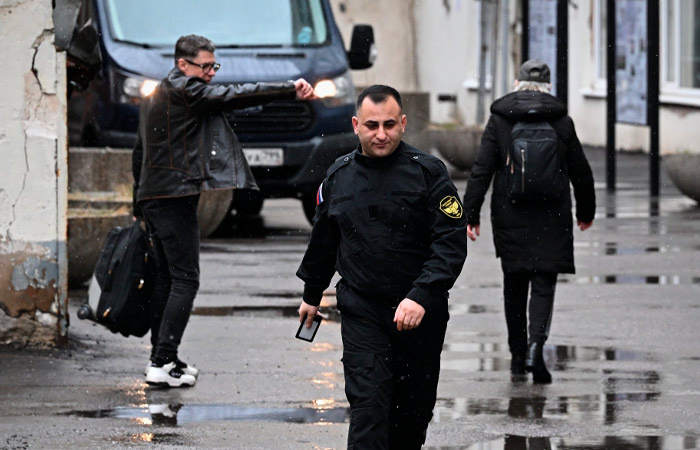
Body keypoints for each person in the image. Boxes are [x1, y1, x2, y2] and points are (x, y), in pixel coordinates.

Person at [132, 34, 315, 388]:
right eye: (205, 66)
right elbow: (234, 95)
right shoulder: (186, 89)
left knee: (168, 279)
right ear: (182, 64)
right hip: (173, 197)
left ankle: (165, 357)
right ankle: (161, 361)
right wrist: (288, 88)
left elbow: (140, 150)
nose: (211, 73)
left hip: (155, 197)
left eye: (214, 66)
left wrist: (138, 201)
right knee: (186, 279)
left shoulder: (158, 93)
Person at [297, 85, 467, 449]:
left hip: (419, 314)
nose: (381, 134)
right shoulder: (339, 175)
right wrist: (312, 293)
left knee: (410, 418)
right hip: (363, 310)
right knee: (369, 408)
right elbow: (324, 241)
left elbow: (450, 243)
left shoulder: (428, 173)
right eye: (372, 125)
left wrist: (421, 294)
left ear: (403, 123)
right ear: (356, 125)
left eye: (389, 125)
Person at [462, 60, 596, 384]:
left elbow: (482, 169)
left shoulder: (500, 119)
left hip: (511, 213)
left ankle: (518, 356)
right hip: (553, 215)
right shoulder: (561, 121)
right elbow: (580, 171)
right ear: (548, 87)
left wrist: (471, 213)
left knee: (514, 285)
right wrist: (586, 212)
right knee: (544, 284)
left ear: (517, 84)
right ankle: (537, 346)